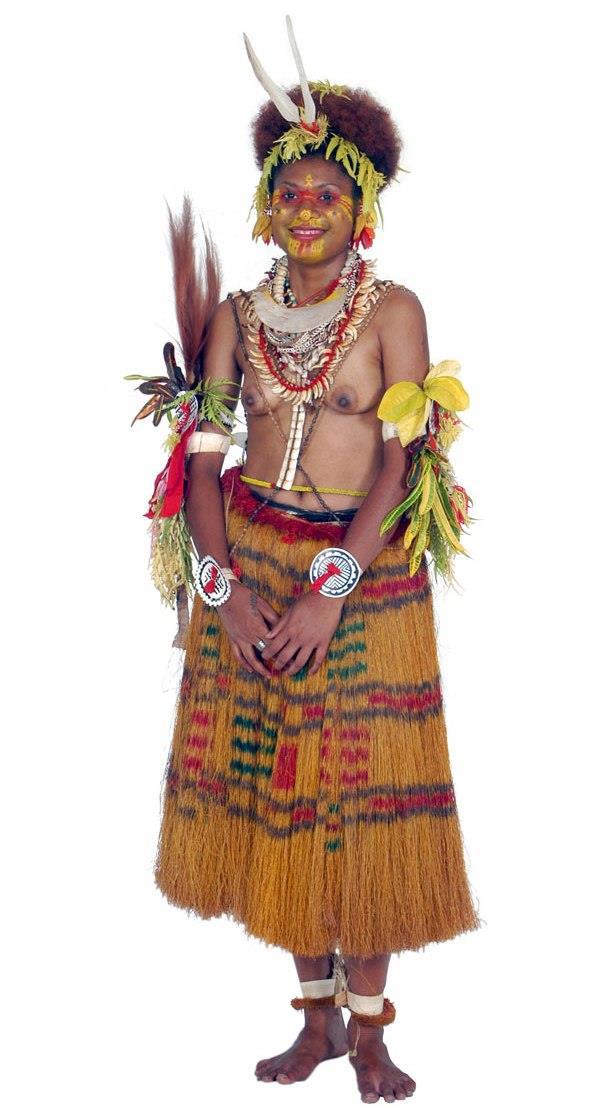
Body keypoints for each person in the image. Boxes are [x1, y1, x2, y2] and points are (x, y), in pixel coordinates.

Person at [135, 18, 480, 1103]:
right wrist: (223, 590)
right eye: (292, 191)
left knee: (361, 801)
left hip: (361, 576)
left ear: (360, 207)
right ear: (268, 205)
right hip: (253, 559)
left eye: (329, 193)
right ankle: (318, 1022)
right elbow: (201, 457)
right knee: (277, 793)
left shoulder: (394, 313)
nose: (308, 206)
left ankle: (371, 1032)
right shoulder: (237, 317)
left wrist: (335, 589)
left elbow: (402, 463)